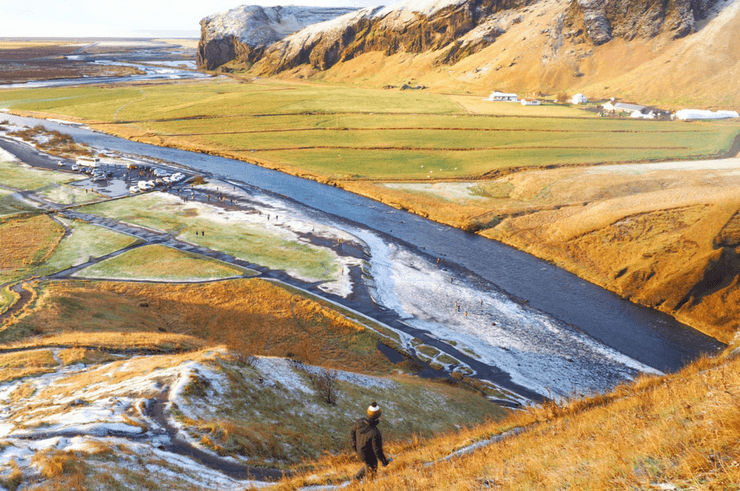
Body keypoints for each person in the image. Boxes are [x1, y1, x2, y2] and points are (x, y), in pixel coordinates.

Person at [351, 402, 390, 481]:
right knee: (372, 465)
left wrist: (355, 446)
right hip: (368, 455)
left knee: (367, 464)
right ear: (377, 417)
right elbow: (377, 451)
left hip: (359, 451)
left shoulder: (359, 423)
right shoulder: (375, 433)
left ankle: (355, 481)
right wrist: (384, 461)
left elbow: (352, 434)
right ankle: (369, 484)